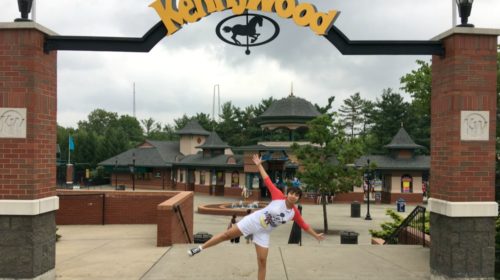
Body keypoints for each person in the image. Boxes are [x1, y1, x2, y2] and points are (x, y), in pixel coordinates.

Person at [188, 154, 325, 280]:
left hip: (263, 233)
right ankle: (200, 248)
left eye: (296, 195)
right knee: (226, 235)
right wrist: (259, 165)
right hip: (252, 221)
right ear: (287, 193)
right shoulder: (278, 196)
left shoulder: (294, 213)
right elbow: (267, 180)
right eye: (291, 193)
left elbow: (304, 226)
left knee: (262, 261)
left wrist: (315, 235)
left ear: (298, 198)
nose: (293, 196)